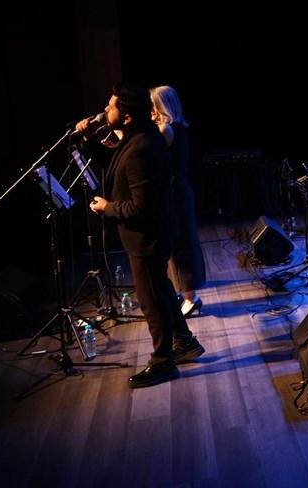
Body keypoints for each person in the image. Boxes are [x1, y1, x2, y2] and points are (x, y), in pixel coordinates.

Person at [76, 83, 204, 389]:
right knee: (162, 292)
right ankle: (185, 342)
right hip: (150, 234)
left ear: (127, 116)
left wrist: (107, 208)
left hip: (147, 237)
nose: (104, 110)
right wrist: (87, 139)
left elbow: (140, 207)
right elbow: (112, 165)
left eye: (110, 106)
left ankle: (163, 362)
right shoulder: (138, 139)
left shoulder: (141, 148)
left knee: (151, 302)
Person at [150, 85, 205, 318]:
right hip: (179, 191)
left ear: (160, 106)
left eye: (153, 105)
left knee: (180, 246)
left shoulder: (166, 129)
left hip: (175, 194)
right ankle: (186, 295)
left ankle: (191, 298)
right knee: (179, 244)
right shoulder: (177, 126)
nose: (150, 111)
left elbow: (151, 156)